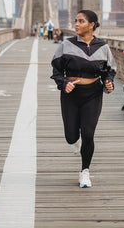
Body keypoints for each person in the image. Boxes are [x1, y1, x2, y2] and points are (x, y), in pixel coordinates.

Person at [50, 10, 116, 188]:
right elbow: (56, 70)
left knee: (88, 134)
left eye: (81, 21)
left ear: (92, 25)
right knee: (71, 136)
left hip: (93, 94)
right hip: (71, 95)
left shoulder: (103, 47)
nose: (76, 24)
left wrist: (109, 82)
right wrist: (64, 83)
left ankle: (85, 171)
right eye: (75, 21)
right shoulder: (66, 44)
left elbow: (109, 70)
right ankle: (74, 142)